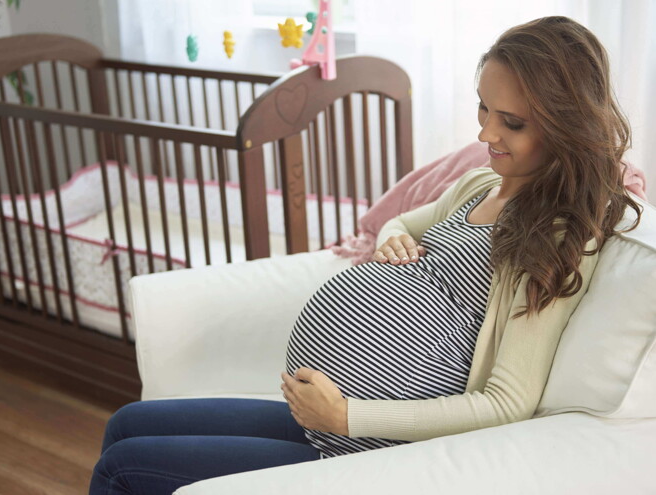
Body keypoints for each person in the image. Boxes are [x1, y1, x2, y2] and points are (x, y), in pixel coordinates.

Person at [90, 15, 642, 493]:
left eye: (511, 123)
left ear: (568, 125)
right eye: (484, 109)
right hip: (323, 419)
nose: (486, 132)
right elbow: (403, 221)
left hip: (362, 442)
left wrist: (348, 415)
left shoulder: (557, 236)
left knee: (122, 467)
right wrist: (390, 238)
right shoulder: (480, 183)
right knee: (126, 422)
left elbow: (507, 402)